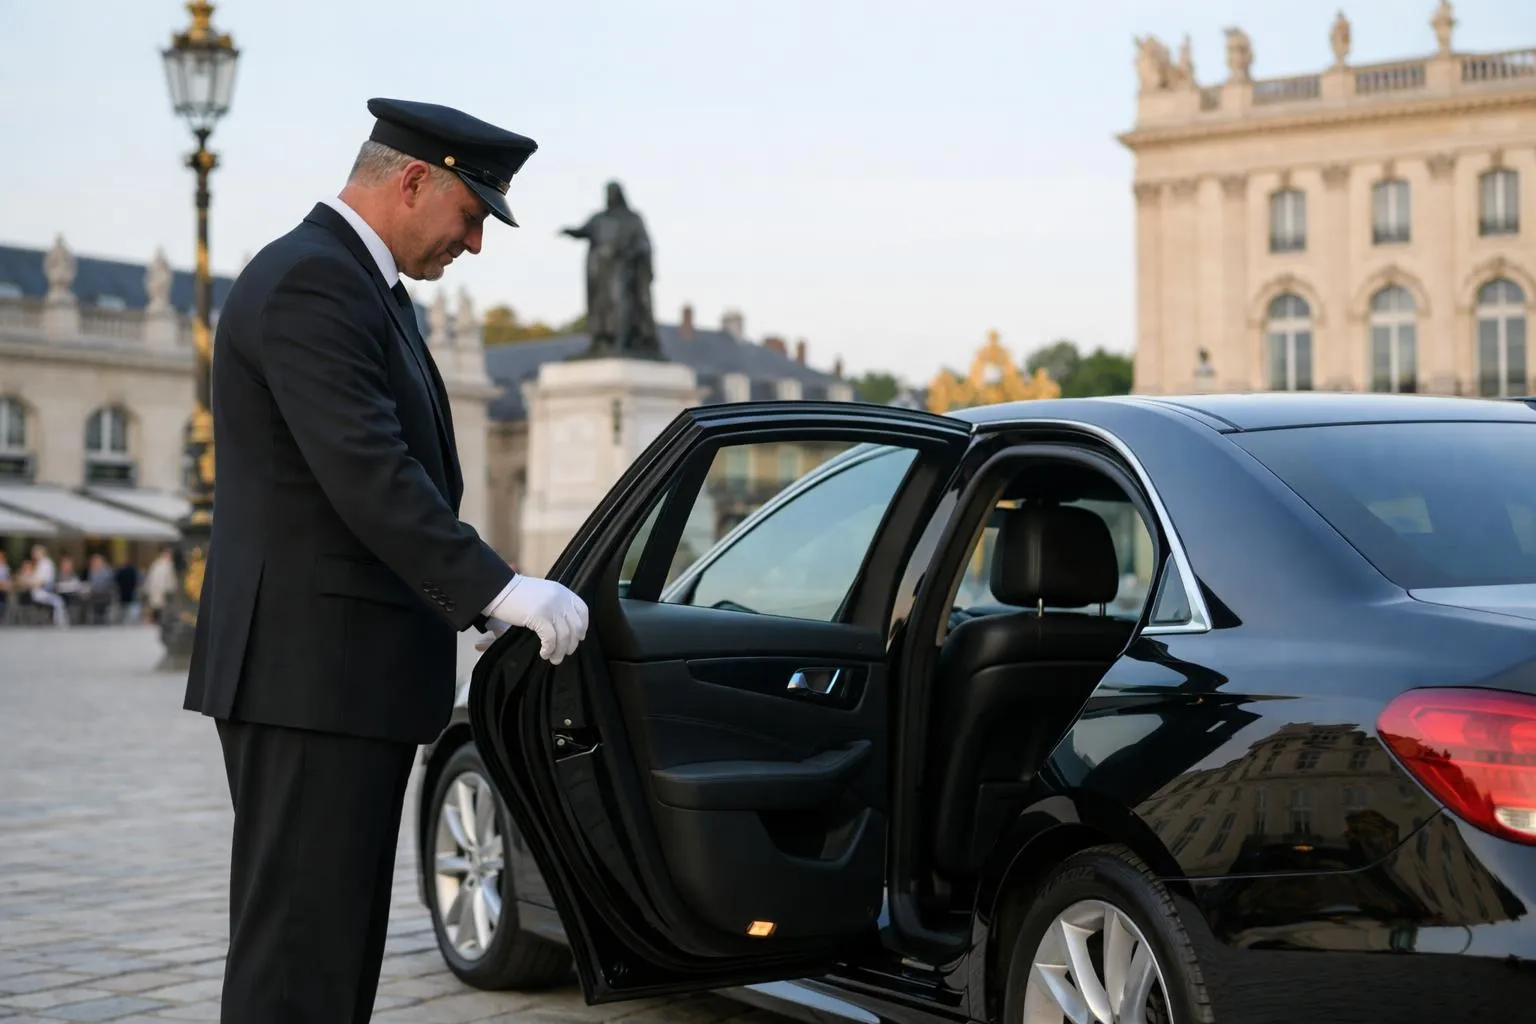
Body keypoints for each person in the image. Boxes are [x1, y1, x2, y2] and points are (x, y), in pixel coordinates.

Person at [183, 97, 589, 1022]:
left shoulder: (363, 287)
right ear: (413, 180)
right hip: (307, 678)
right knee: (297, 960)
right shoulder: (312, 282)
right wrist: (500, 587)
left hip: (336, 678)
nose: (476, 244)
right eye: (473, 214)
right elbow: (367, 473)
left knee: (330, 955)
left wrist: (483, 607)